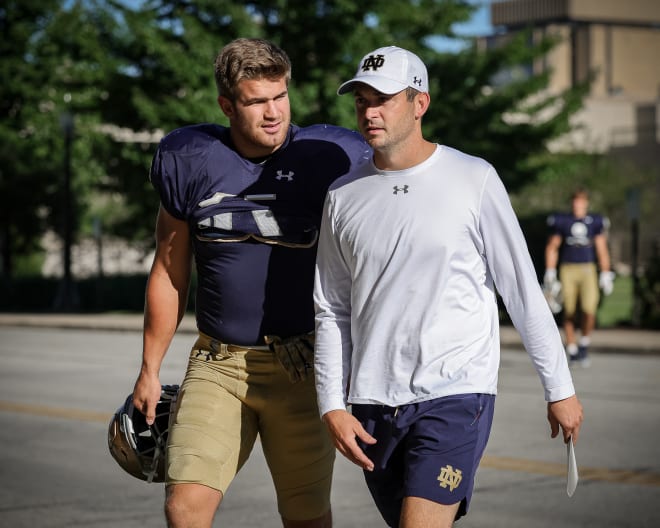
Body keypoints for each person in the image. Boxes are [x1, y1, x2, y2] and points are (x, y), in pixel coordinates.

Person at [313, 46, 584, 528]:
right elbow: (331, 309)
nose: (369, 111)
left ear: (420, 103)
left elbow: (520, 288)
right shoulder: (342, 195)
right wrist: (332, 404)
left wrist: (559, 387)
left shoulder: (473, 178)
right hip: (373, 404)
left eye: (384, 99)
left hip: (456, 394)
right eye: (361, 100)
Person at [131, 38, 370, 528]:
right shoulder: (190, 157)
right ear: (226, 104)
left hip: (303, 365)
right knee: (184, 506)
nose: (273, 112)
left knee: (306, 516)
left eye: (280, 96)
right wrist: (150, 369)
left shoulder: (332, 155)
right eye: (256, 101)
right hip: (219, 364)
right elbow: (170, 269)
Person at [544, 188, 614, 367]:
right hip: (568, 268)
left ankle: (584, 342)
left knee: (589, 308)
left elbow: (601, 248)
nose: (578, 205)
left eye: (581, 201)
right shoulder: (564, 221)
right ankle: (572, 348)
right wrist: (550, 270)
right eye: (575, 201)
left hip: (587, 268)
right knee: (568, 308)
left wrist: (606, 272)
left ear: (586, 203)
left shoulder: (594, 222)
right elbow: (553, 246)